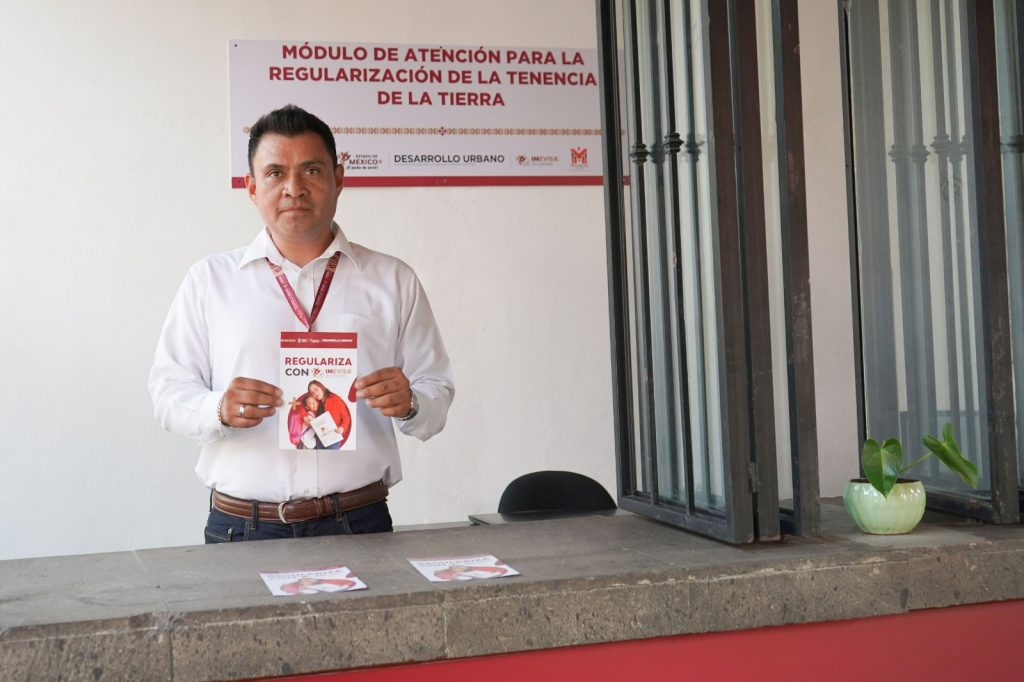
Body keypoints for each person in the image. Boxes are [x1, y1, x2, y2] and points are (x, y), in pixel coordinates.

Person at [149, 104, 454, 543]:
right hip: (243, 528)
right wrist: (218, 409)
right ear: (252, 187)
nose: (294, 188)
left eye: (311, 170)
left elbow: (437, 390)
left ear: (339, 179)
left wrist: (410, 403)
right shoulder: (209, 281)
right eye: (275, 173)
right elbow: (166, 394)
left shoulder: (392, 279)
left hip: (358, 523)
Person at [306, 379, 351, 449]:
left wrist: (342, 428)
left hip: (333, 437)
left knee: (332, 456)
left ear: (321, 387)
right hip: (319, 438)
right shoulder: (316, 404)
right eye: (312, 393)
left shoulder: (335, 399)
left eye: (316, 389)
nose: (315, 393)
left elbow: (346, 417)